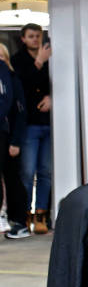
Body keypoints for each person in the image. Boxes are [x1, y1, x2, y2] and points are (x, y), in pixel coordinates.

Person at [12, 24, 52, 234]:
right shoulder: (18, 60)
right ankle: (24, 215)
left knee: (45, 171)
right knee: (27, 172)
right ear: (23, 39)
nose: (35, 40)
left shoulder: (50, 59)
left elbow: (58, 83)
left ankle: (41, 215)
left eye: (38, 36)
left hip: (48, 122)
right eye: (31, 36)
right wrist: (39, 62)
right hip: (28, 124)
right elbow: (22, 88)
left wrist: (51, 98)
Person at [0, 42, 30, 239]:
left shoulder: (12, 79)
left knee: (13, 178)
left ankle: (19, 221)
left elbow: (19, 113)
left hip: (7, 136)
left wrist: (16, 141)